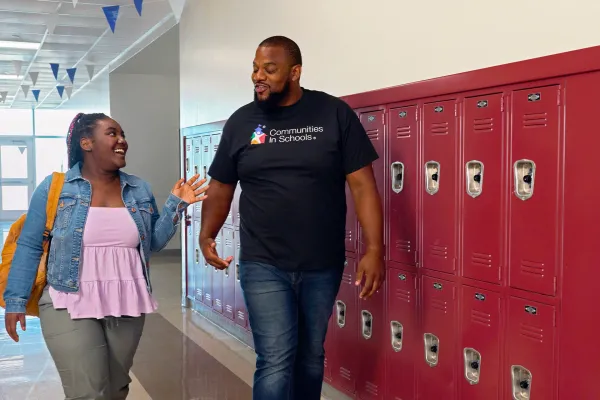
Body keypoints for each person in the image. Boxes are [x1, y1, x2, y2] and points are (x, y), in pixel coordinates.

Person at [200, 36, 385, 400]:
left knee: (311, 356)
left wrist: (375, 248)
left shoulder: (333, 114)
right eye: (255, 68)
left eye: (269, 68)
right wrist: (207, 235)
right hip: (263, 261)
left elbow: (363, 186)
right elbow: (221, 186)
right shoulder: (242, 122)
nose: (258, 76)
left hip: (322, 262)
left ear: (295, 71)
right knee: (276, 358)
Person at [3, 113, 207, 400]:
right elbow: (29, 245)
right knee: (88, 392)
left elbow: (153, 243)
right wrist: (16, 301)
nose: (122, 140)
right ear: (86, 143)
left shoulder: (138, 189)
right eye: (112, 133)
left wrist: (177, 204)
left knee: (115, 389)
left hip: (126, 298)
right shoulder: (56, 188)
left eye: (123, 134)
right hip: (67, 298)